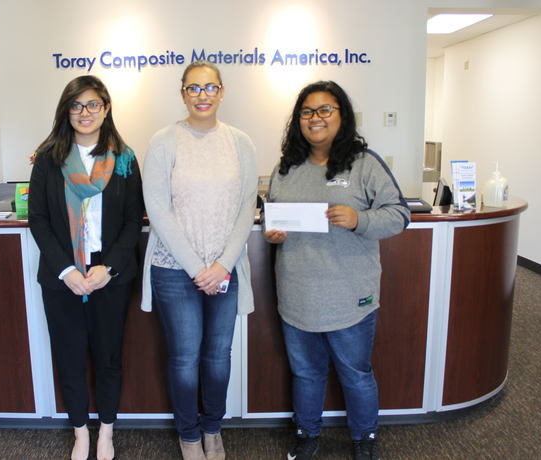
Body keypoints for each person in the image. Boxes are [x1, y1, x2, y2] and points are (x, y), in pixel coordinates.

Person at [264, 81, 410, 460]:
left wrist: (359, 218)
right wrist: (274, 234)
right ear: (298, 121)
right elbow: (272, 220)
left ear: (342, 115)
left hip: (350, 294)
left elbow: (399, 214)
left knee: (356, 374)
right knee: (306, 374)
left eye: (325, 110)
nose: (316, 118)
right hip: (298, 294)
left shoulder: (365, 164)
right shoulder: (286, 168)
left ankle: (365, 440)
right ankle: (306, 434)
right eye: (307, 112)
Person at [140, 60, 257, 460]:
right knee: (185, 358)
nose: (202, 95)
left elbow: (247, 208)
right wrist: (196, 269)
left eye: (210, 87)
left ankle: (212, 429)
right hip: (175, 271)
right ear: (182, 93)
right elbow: (157, 208)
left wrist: (222, 265)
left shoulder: (240, 142)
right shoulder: (164, 141)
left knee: (218, 358)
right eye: (194, 88)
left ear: (222, 91)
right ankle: (189, 435)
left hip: (225, 270)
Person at [29, 75, 143, 460]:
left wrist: (108, 266)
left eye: (93, 104)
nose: (85, 112)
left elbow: (132, 221)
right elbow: (38, 219)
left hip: (109, 274)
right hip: (64, 275)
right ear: (67, 111)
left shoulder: (124, 158)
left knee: (109, 355)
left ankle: (106, 431)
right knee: (70, 354)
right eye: (77, 105)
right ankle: (81, 432)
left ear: (106, 108)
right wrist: (67, 270)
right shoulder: (49, 158)